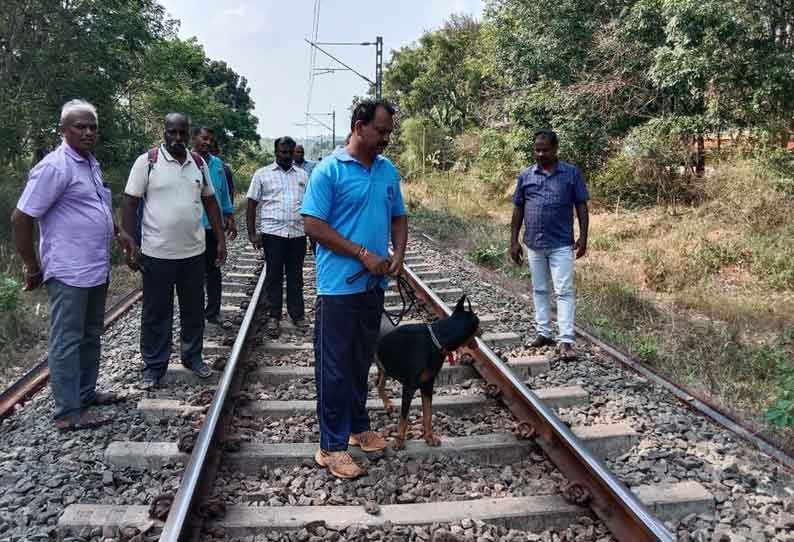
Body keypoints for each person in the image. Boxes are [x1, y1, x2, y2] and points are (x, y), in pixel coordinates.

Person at [11, 99, 136, 430]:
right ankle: (68, 412)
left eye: (92, 126)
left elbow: (95, 207)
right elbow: (22, 217)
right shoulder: (55, 167)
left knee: (91, 334)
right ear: (63, 130)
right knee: (67, 339)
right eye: (80, 126)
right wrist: (32, 266)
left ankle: (85, 394)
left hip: (94, 268)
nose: (88, 132)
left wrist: (119, 232)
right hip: (68, 270)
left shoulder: (90, 164)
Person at [301, 100, 408, 479]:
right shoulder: (329, 171)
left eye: (389, 132)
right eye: (381, 131)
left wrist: (399, 253)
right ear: (359, 126)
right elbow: (312, 224)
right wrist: (362, 253)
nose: (386, 139)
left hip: (373, 285)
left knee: (361, 360)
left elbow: (399, 216)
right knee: (333, 366)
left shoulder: (386, 170)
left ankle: (358, 427)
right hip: (337, 288)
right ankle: (331, 446)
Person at [121, 113, 227, 390]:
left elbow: (211, 203)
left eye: (182, 133)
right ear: (164, 132)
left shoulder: (199, 164)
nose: (177, 138)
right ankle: (154, 367)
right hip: (157, 253)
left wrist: (221, 240)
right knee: (157, 312)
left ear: (188, 134)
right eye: (172, 133)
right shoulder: (148, 162)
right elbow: (130, 203)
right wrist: (129, 242)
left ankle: (193, 357)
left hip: (193, 252)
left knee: (193, 310)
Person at [509, 129, 589, 361]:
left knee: (563, 291)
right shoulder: (526, 175)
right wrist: (513, 240)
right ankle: (543, 333)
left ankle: (566, 340)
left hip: (561, 244)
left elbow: (581, 206)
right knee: (540, 290)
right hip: (534, 243)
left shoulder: (571, 174)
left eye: (545, 150)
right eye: (537, 149)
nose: (540, 153)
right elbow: (518, 209)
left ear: (555, 150)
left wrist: (583, 237)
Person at [246, 136, 309, 337]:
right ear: (275, 152)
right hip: (273, 233)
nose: (287, 156)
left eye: (290, 152)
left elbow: (310, 206)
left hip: (298, 233)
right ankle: (274, 316)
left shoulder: (302, 175)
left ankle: (297, 315)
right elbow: (251, 204)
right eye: (283, 152)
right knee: (273, 276)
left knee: (295, 276)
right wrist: (252, 233)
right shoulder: (262, 174)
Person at [193, 127, 237, 331]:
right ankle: (193, 315)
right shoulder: (185, 161)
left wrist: (229, 216)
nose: (208, 142)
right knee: (193, 274)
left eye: (211, 139)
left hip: (213, 227)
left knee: (214, 271)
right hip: (191, 228)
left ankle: (213, 312)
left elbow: (224, 194)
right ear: (195, 139)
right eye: (204, 138)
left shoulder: (219, 165)